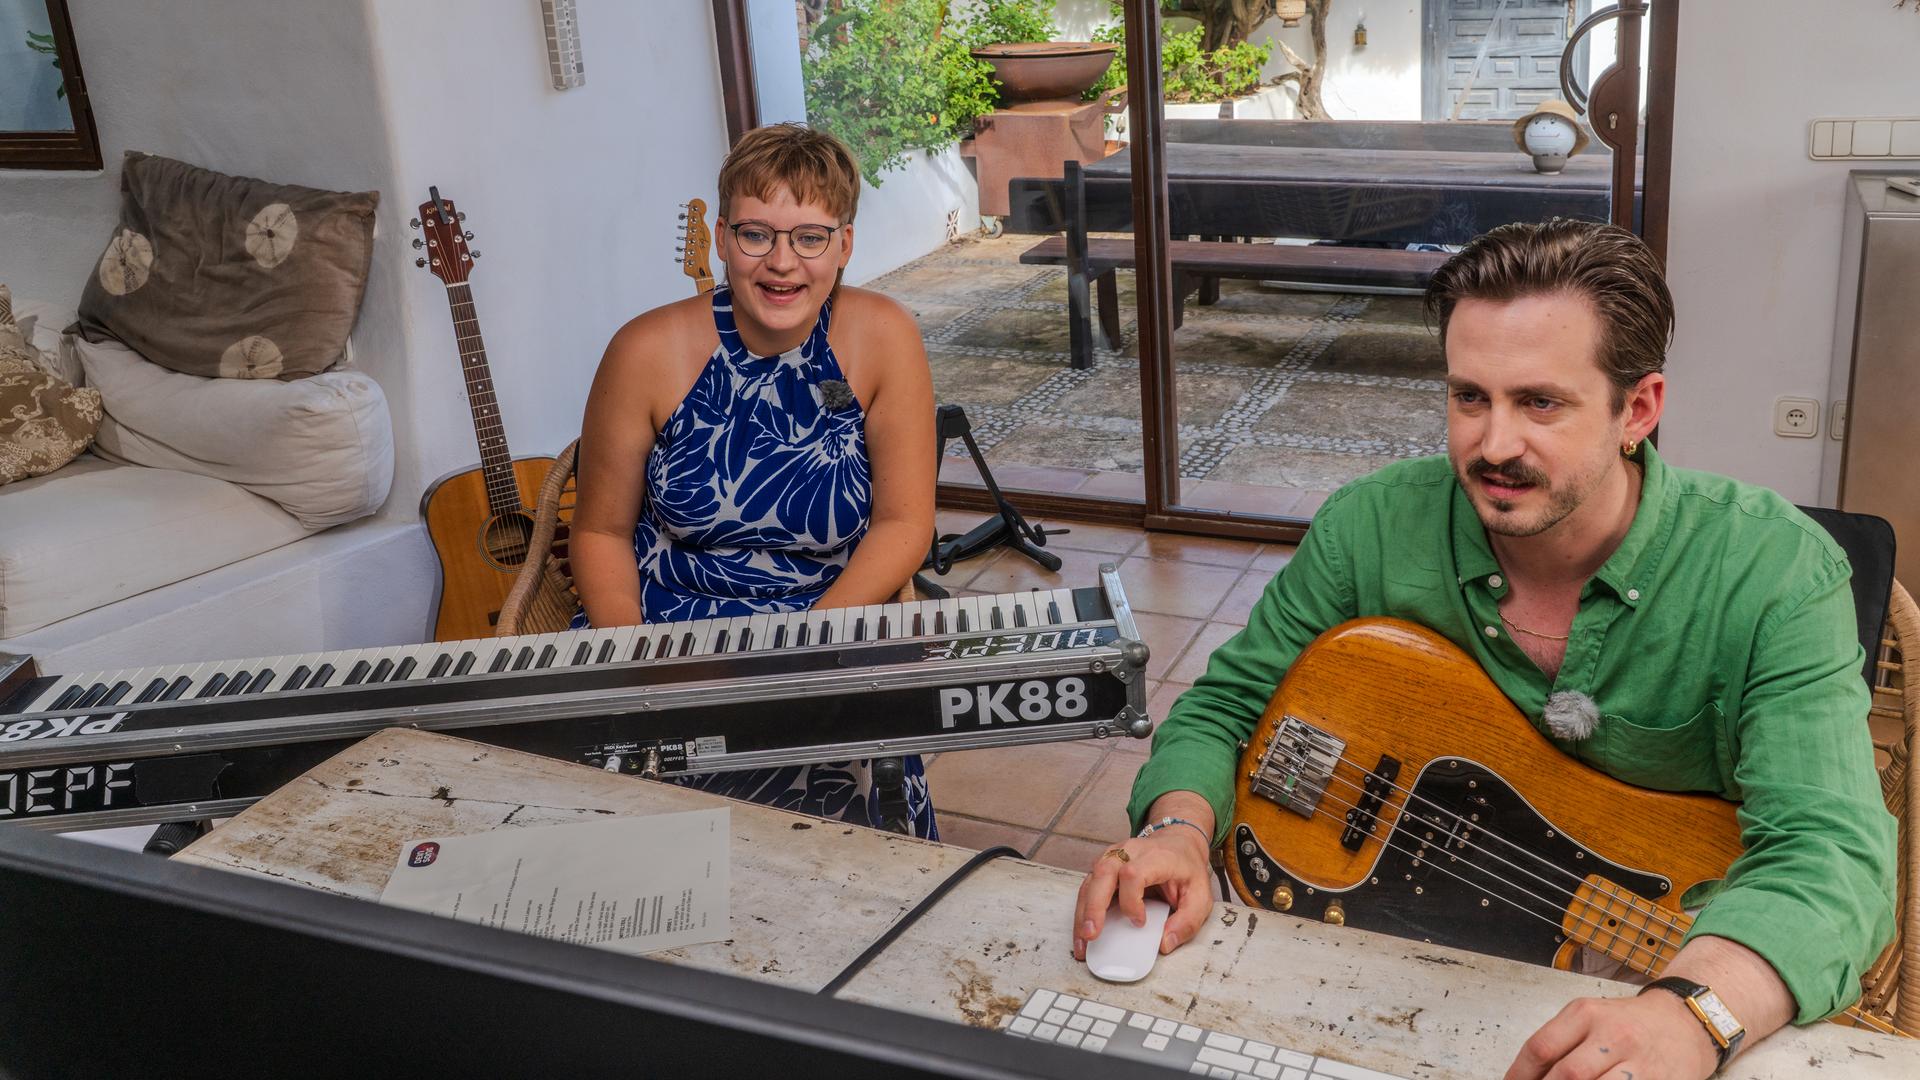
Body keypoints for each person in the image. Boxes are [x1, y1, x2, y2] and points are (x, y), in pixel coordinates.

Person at [1073, 220, 1896, 1079]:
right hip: (1402, 962)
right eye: (1471, 397)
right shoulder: (1371, 526)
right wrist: (1175, 827)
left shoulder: (1774, 573)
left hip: (1666, 975)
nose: (1493, 445)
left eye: (1540, 402)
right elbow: (1230, 706)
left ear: (1638, 409)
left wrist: (1694, 1015)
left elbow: (1830, 852)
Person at [569, 122, 938, 837]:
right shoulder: (644, 349)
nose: (782, 263)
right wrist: (642, 664)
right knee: (631, 846)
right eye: (756, 234)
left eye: (810, 236)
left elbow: (904, 524)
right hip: (663, 630)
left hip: (825, 619)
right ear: (721, 240)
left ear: (844, 247)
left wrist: (815, 644)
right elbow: (601, 531)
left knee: (851, 834)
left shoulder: (883, 336)